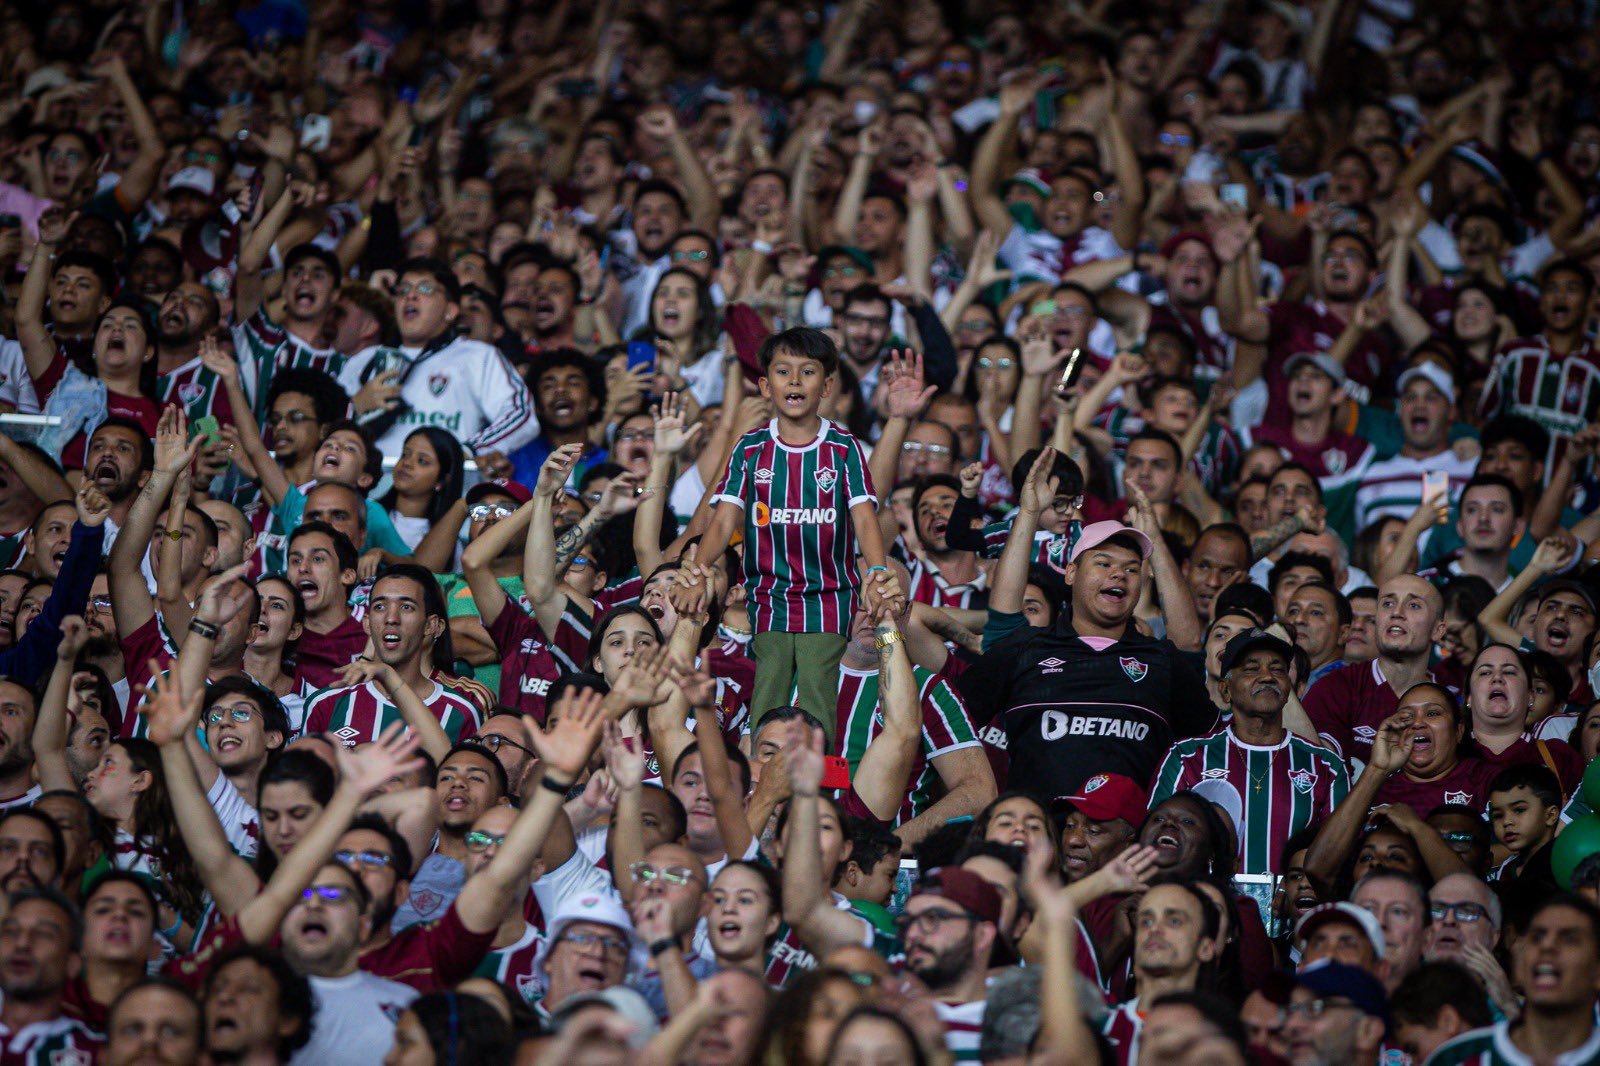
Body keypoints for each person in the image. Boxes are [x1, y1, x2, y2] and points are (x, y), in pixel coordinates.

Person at [693, 326, 893, 742]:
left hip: (829, 596)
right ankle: (761, 771)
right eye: (783, 371)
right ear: (766, 386)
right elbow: (724, 521)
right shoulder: (749, 447)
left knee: (818, 693)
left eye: (808, 371)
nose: (795, 381)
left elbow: (864, 518)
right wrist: (696, 570)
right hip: (769, 595)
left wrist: (876, 574)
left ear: (828, 386)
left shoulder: (844, 447)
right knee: (770, 688)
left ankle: (821, 778)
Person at [1151, 629, 1349, 875]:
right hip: (1208, 897)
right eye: (1251, 669)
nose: (1267, 677)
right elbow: (1154, 842)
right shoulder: (1186, 757)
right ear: (1226, 690)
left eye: (1278, 669)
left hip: (1291, 899)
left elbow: (1338, 856)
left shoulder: (1326, 766)